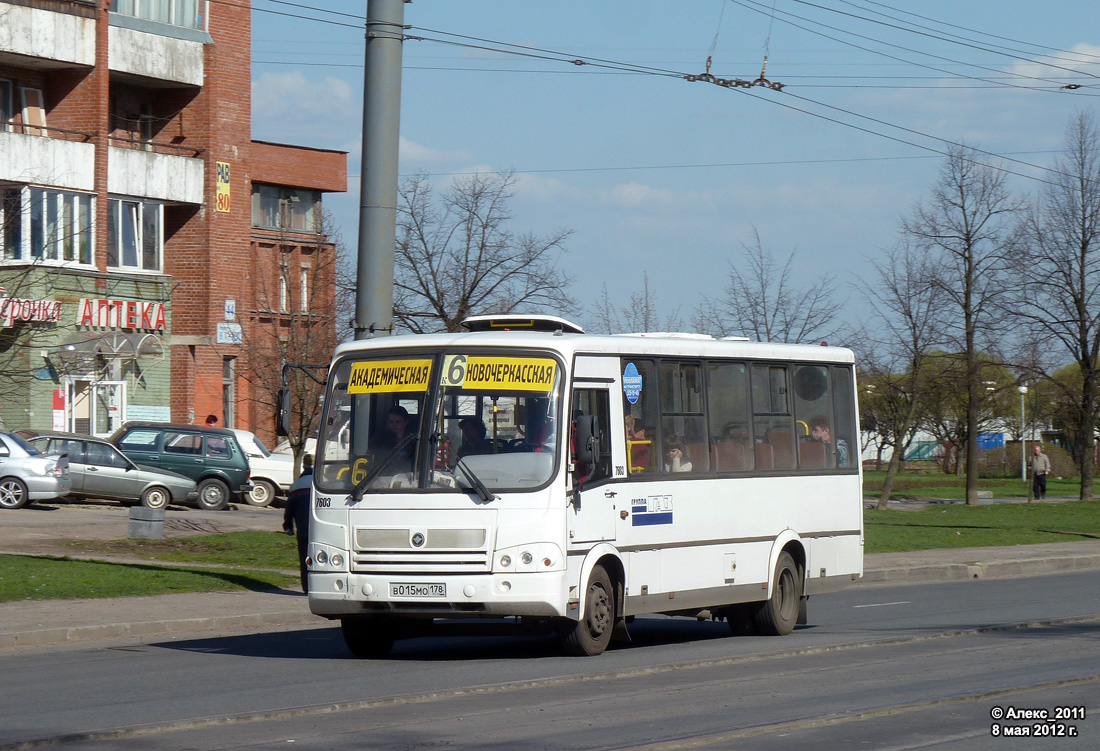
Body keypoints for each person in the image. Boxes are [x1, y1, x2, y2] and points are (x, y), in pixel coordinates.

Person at [283, 454, 313, 593]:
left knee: (305, 560)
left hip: (303, 530)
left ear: (303, 466)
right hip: (320, 530)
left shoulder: (296, 486)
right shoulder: (321, 483)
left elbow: (289, 509)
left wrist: (288, 526)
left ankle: (306, 588)